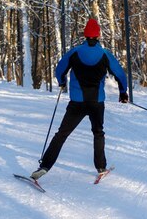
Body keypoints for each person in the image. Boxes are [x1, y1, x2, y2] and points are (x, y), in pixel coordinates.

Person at [31, 18, 129, 180]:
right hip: (96, 103)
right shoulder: (105, 54)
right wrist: (123, 92)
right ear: (98, 36)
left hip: (77, 102)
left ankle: (45, 166)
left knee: (61, 134)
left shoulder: (75, 52)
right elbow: (120, 74)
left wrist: (62, 82)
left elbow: (59, 69)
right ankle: (101, 167)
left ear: (85, 35)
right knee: (98, 133)